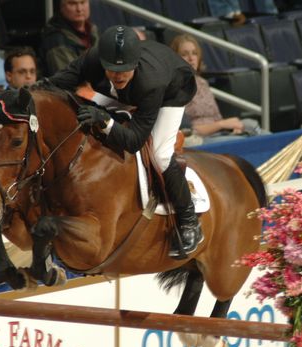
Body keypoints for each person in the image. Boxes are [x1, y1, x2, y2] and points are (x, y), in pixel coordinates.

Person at [48, 25, 202, 258]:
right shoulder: (93, 59)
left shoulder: (151, 81)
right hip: (127, 92)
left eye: (125, 70)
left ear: (135, 63)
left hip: (172, 90)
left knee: (160, 154)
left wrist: (105, 122)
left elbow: (134, 141)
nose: (118, 75)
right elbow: (56, 84)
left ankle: (189, 220)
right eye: (112, 70)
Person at [170, 34, 264, 144]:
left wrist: (232, 128)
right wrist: (222, 125)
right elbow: (188, 131)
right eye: (184, 54)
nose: (191, 58)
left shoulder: (202, 82)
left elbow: (217, 117)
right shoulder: (175, 87)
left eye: (194, 53)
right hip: (200, 139)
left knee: (256, 128)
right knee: (244, 140)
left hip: (220, 132)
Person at [40, 0, 99, 77]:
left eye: (83, 2)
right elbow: (70, 80)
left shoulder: (92, 30)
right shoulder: (56, 40)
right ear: (61, 7)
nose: (79, 9)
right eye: (72, 3)